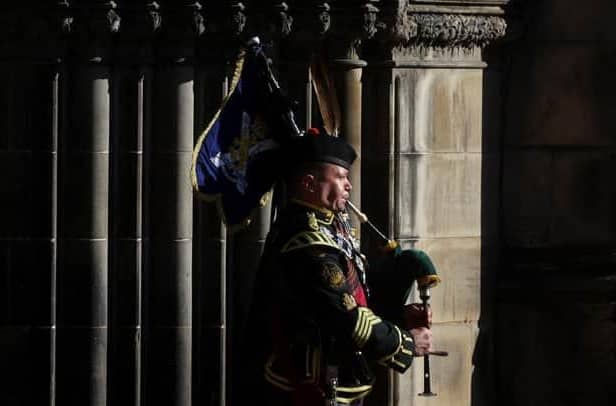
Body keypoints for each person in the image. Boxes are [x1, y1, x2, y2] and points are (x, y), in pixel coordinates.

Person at [246, 132, 434, 405]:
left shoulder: (330, 227)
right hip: (309, 386)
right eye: (340, 177)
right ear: (309, 183)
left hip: (338, 376)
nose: (349, 186)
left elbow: (355, 294)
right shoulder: (308, 244)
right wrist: (405, 343)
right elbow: (349, 318)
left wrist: (400, 315)